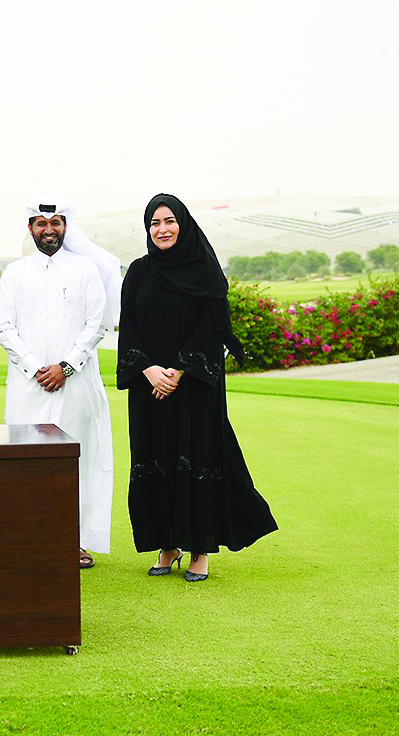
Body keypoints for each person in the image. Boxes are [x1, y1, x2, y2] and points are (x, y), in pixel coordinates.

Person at [117, 193, 278, 581]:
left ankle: (200, 550)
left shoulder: (205, 271)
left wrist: (180, 370)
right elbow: (130, 328)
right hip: (149, 387)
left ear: (183, 223)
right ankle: (167, 544)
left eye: (169, 221)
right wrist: (150, 369)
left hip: (194, 388)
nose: (162, 229)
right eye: (154, 223)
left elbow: (213, 329)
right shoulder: (138, 272)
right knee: (156, 458)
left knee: (195, 456)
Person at [0, 200, 121, 569]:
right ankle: (30, 538)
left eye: (56, 222)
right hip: (28, 386)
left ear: (65, 226)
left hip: (76, 384)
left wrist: (66, 366)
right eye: (40, 223)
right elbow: (4, 328)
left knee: (77, 461)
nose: (48, 229)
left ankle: (75, 540)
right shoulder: (15, 273)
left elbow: (98, 323)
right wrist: (36, 368)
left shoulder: (86, 269)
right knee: (27, 462)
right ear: (30, 227)